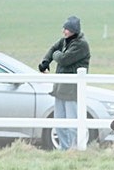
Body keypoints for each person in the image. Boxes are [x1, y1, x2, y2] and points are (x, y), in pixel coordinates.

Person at [39, 16, 91, 150]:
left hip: (72, 91)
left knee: (72, 123)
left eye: (66, 29)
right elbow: (52, 49)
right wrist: (45, 62)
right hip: (60, 89)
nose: (64, 31)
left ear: (73, 30)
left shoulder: (81, 45)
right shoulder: (64, 42)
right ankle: (64, 148)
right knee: (59, 122)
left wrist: (55, 55)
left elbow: (64, 59)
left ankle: (74, 149)